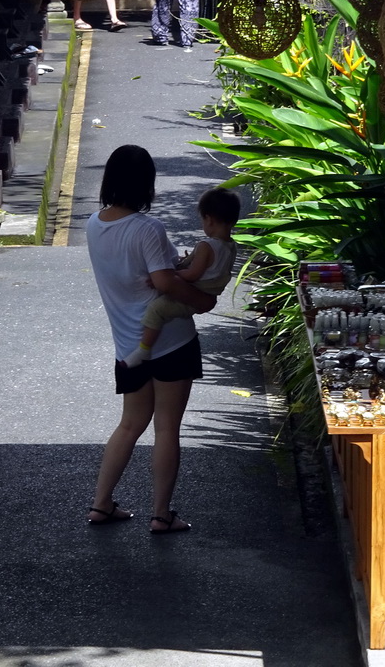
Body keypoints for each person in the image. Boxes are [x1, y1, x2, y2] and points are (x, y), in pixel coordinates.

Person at [85, 145, 215, 534]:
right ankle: (161, 514)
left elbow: (148, 272)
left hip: (128, 343)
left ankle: (101, 503)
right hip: (170, 340)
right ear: (146, 184)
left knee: (129, 425)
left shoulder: (95, 224)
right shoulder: (146, 227)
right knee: (166, 428)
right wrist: (203, 301)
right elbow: (163, 281)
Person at [123, 187, 239, 367]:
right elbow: (213, 269)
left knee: (156, 310)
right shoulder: (231, 246)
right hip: (209, 294)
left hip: (193, 294)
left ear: (208, 219)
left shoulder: (206, 246)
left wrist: (172, 273)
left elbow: (193, 275)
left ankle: (143, 349)